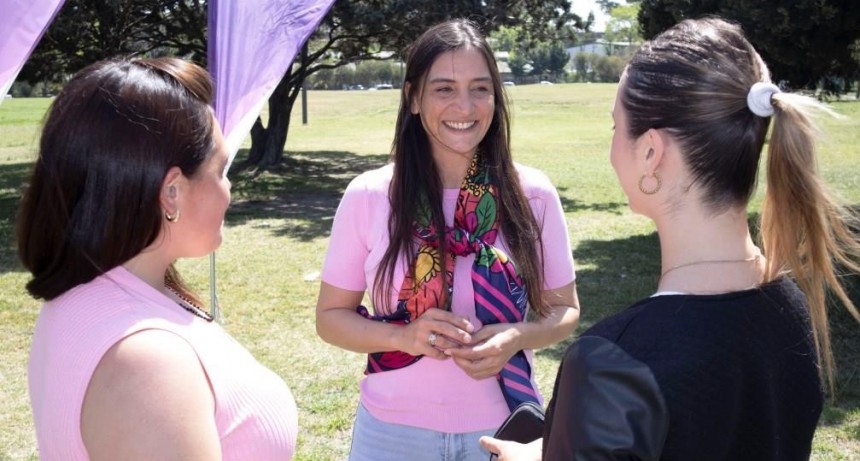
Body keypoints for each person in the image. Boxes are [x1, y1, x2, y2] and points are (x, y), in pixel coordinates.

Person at [480, 17, 860, 461]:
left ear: (650, 152)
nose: (612, 148)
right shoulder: (792, 306)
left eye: (615, 127)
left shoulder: (612, 366)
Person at [315, 18, 580, 461]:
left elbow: (565, 310)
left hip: (503, 430)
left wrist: (517, 335)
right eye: (443, 89)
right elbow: (330, 319)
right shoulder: (370, 195)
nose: (465, 106)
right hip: (391, 434)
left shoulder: (532, 193)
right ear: (413, 98)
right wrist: (404, 337)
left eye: (480, 88)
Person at [18, 57, 298, 460]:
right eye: (220, 170)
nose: (228, 188)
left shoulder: (83, 292)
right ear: (171, 193)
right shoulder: (146, 364)